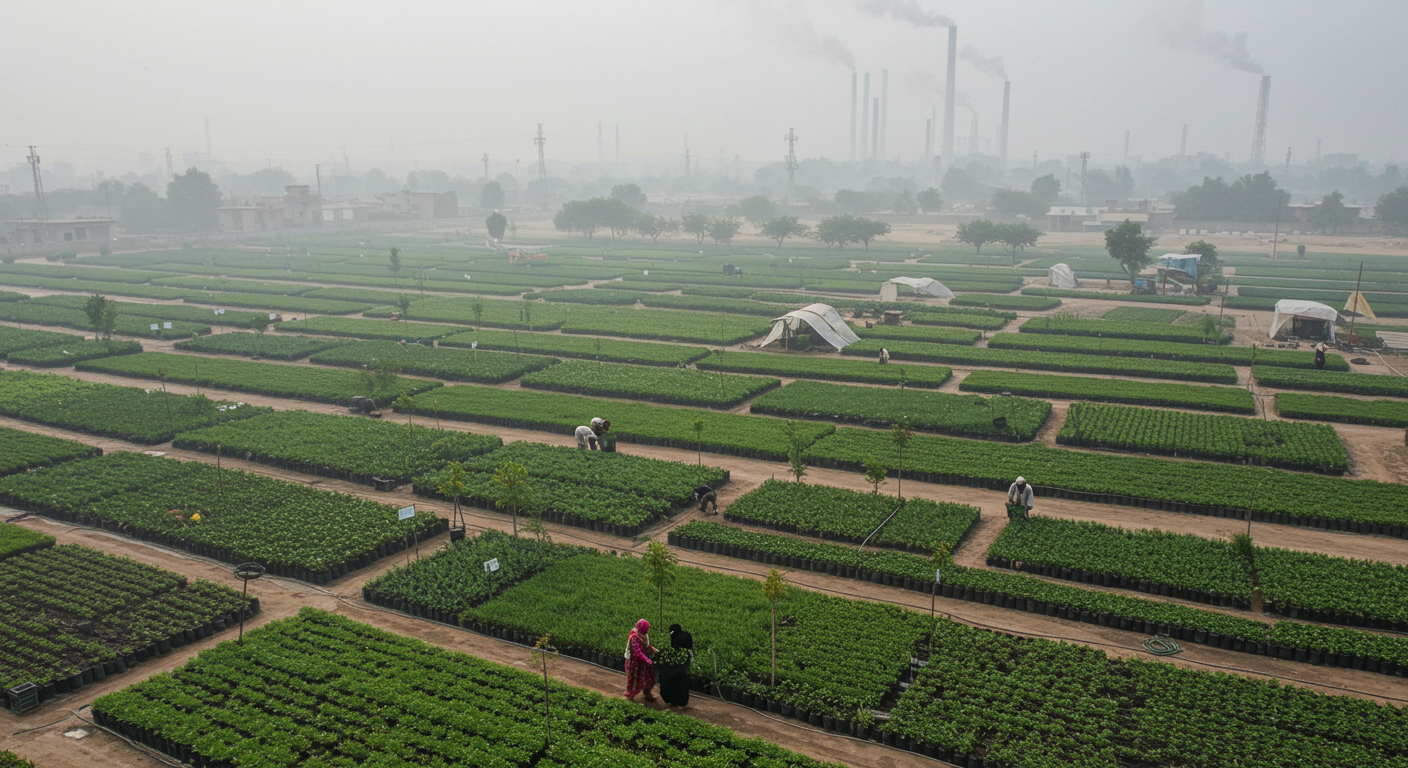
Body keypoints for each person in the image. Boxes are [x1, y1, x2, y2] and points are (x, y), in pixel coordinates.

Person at [659, 623, 695, 709]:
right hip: (687, 660)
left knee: (676, 681)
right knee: (683, 681)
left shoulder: (676, 639)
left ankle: (675, 700)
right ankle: (681, 701)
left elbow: (676, 650)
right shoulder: (686, 634)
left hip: (680, 663)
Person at [624, 619, 657, 702]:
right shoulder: (634, 637)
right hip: (635, 663)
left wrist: (652, 648)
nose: (646, 632)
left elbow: (646, 644)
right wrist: (646, 659)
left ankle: (647, 693)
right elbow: (637, 651)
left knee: (650, 678)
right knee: (634, 680)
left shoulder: (643, 635)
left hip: (644, 662)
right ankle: (630, 696)